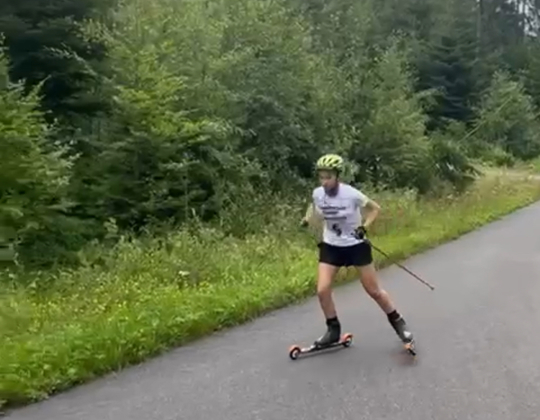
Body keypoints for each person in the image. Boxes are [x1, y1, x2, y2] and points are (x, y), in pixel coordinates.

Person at [301, 153, 414, 348]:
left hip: (355, 246)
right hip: (331, 246)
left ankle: (398, 322)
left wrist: (364, 227)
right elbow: (314, 208)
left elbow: (375, 209)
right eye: (321, 177)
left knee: (374, 290)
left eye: (328, 177)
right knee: (322, 290)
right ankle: (333, 330)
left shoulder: (351, 194)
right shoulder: (318, 193)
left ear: (338, 176)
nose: (324, 181)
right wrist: (306, 218)